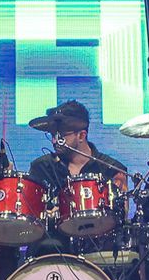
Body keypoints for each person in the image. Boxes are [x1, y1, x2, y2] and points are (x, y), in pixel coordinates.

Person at [25, 100, 129, 255]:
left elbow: (122, 214)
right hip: (51, 253)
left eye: (61, 136)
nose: (54, 141)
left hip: (98, 254)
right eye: (53, 135)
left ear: (82, 135)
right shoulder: (41, 168)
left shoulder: (112, 169)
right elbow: (30, 216)